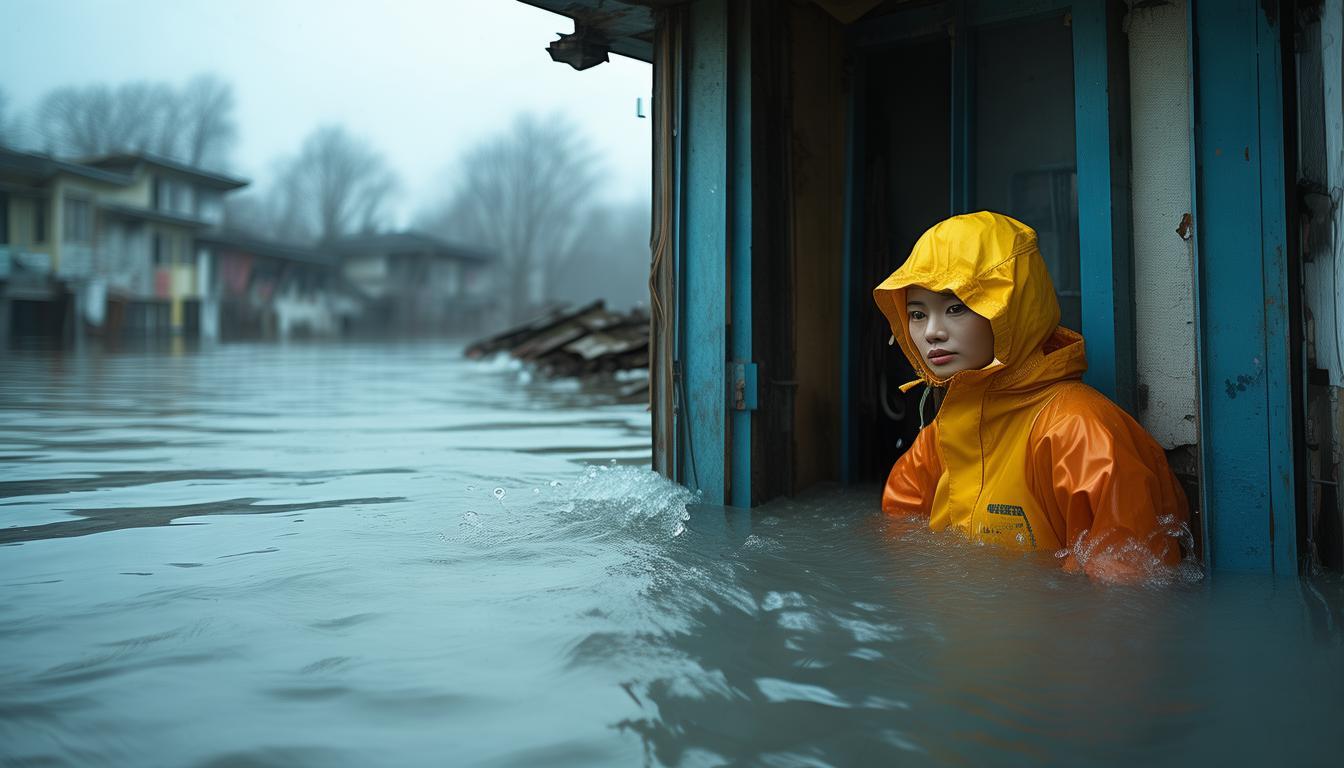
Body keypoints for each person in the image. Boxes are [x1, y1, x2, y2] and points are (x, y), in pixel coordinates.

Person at [873, 211, 1189, 583]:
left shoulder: (1080, 431)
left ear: (1013, 307)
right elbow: (901, 535)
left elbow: (1127, 594)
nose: (932, 333)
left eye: (956, 307)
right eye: (916, 314)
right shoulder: (945, 432)